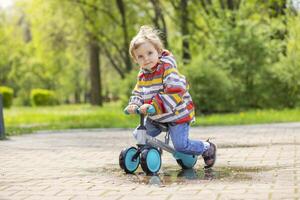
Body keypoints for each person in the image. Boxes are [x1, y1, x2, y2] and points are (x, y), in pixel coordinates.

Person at [124, 25, 216, 168]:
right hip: (157, 117)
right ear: (135, 59)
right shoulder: (142, 74)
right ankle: (153, 151)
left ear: (159, 52)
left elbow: (175, 90)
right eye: (140, 56)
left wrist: (154, 106)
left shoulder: (168, 68)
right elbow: (139, 91)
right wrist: (134, 104)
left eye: (149, 53)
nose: (146, 59)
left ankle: (206, 147)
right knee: (139, 134)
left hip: (177, 114)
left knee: (180, 145)